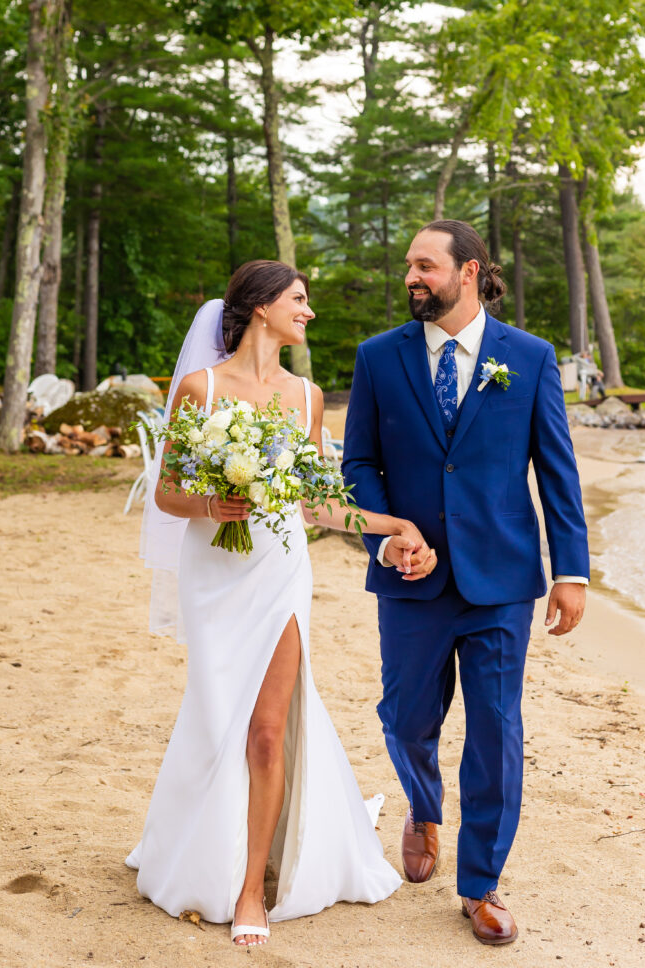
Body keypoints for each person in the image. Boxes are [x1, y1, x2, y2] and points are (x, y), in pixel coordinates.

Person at [127, 260, 438, 946]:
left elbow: (314, 503)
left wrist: (394, 526)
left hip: (280, 570)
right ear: (261, 306)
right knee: (217, 721)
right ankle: (196, 846)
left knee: (268, 730)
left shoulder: (307, 396)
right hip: (213, 573)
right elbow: (168, 494)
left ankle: (248, 892)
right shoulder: (199, 388)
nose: (309, 312)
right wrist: (214, 500)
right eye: (299, 300)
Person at [342, 221, 589, 946]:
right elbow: (359, 464)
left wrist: (570, 571)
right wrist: (386, 539)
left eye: (425, 265)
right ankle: (423, 807)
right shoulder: (378, 358)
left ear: (468, 271)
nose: (412, 277)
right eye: (407, 267)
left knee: (495, 731)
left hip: (502, 580)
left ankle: (479, 885)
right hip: (410, 580)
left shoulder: (530, 357)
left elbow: (557, 470)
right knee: (406, 717)